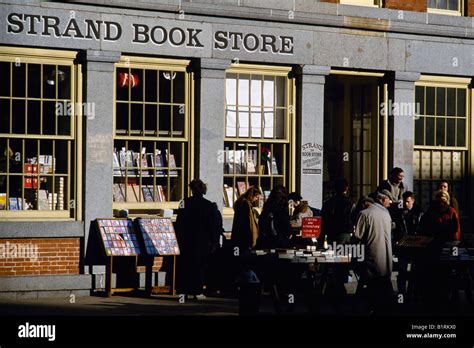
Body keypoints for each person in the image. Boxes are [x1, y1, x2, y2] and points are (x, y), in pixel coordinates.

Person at [175, 179, 222, 300]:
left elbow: (179, 222)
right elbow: (213, 226)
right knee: (199, 266)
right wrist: (214, 241)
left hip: (186, 240)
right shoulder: (209, 205)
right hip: (202, 240)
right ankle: (197, 291)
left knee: (185, 266)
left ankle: (183, 291)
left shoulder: (184, 202)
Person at [353, 191, 393, 314]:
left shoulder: (364, 214)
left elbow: (357, 236)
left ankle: (366, 308)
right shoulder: (386, 214)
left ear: (365, 204)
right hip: (386, 256)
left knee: (369, 285)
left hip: (371, 255)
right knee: (383, 284)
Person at [391, 191, 423, 295]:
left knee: (415, 271)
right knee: (402, 270)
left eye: (408, 202)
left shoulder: (418, 212)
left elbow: (420, 228)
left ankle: (412, 292)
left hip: (415, 244)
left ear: (413, 201)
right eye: (405, 202)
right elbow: (397, 229)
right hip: (403, 244)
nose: (406, 204)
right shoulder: (400, 213)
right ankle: (402, 292)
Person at [257, 185, 292, 249]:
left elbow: (262, 220)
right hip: (280, 237)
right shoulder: (283, 204)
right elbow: (285, 221)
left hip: (268, 237)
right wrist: (289, 232)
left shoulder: (268, 204)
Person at [321, 178, 354, 245]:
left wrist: (322, 236)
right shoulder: (350, 203)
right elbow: (353, 217)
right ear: (346, 188)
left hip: (331, 232)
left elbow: (324, 220)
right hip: (345, 232)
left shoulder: (328, 202)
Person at [231, 186, 261, 253]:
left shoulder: (243, 203)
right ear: (252, 195)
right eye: (256, 197)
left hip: (240, 237)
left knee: (238, 255)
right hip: (244, 238)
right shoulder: (246, 204)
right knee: (243, 256)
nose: (256, 199)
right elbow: (248, 222)